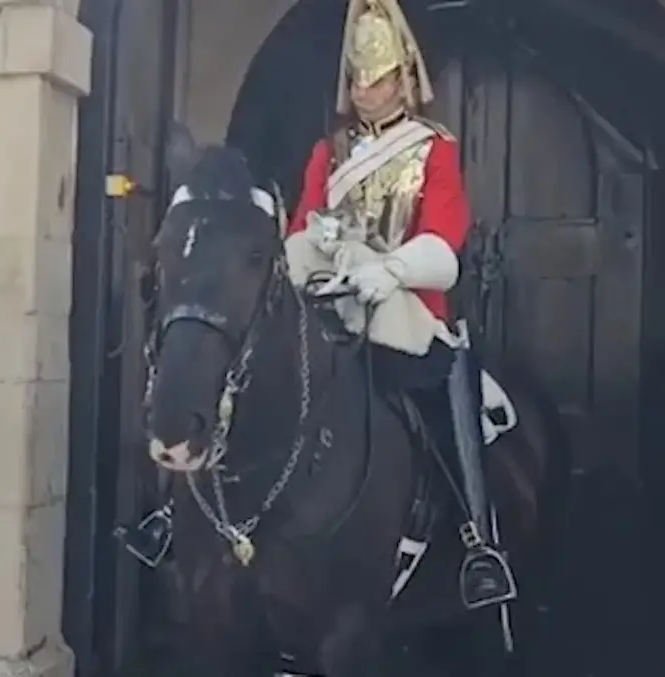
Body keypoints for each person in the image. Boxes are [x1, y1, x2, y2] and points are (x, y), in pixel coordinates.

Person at [284, 0, 514, 610]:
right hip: (329, 307)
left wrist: (392, 270)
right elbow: (301, 227)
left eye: (377, 79)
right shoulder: (327, 153)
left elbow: (446, 240)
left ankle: (476, 543)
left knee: (440, 402)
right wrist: (312, 261)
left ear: (404, 78)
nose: (365, 91)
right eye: (357, 79)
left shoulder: (432, 150)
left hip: (403, 310)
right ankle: (188, 518)